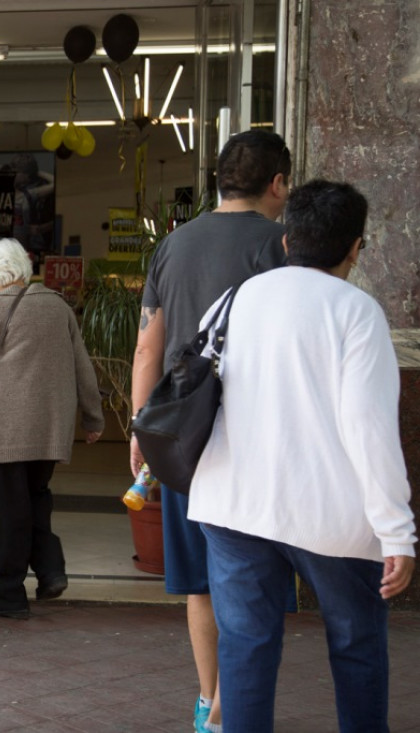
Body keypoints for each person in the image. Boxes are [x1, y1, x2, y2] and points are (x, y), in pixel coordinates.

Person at [188, 180, 416, 732]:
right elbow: (369, 428)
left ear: (288, 239)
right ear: (355, 248)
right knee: (357, 643)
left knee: (245, 645)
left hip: (232, 504)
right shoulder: (356, 312)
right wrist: (396, 532)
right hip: (330, 516)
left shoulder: (235, 298)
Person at [130, 129, 291, 733]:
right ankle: (234, 701)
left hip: (180, 433)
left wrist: (141, 431)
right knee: (252, 574)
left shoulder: (173, 244)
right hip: (256, 430)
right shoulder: (284, 243)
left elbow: (148, 343)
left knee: (201, 581)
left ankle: (209, 704)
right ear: (277, 183)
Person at [0, 238, 104, 618]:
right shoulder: (58, 305)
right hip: (52, 427)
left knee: (10, 511)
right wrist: (93, 417)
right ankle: (49, 570)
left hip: (10, 428)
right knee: (36, 499)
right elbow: (83, 366)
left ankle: (10, 593)